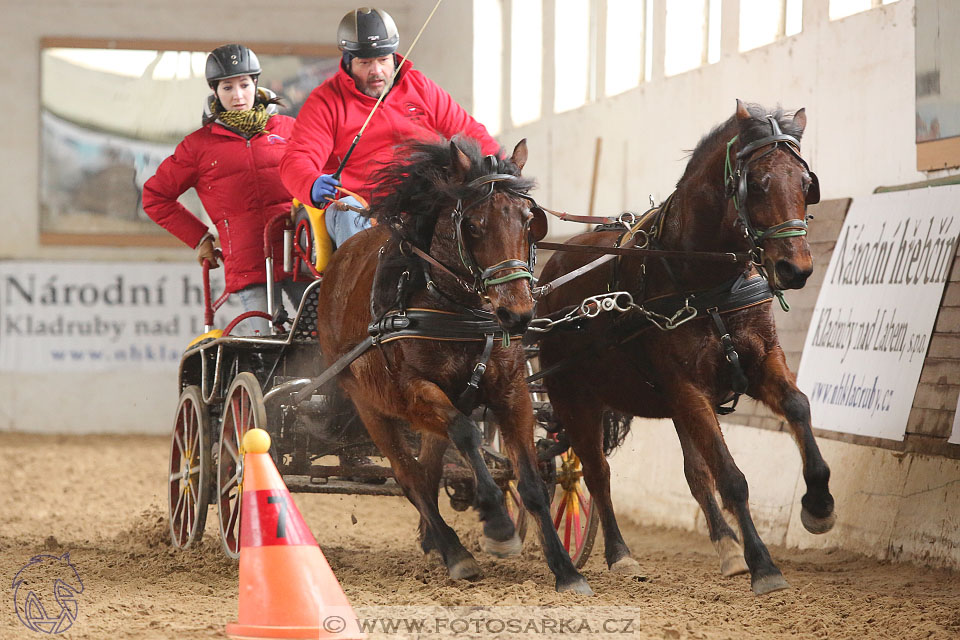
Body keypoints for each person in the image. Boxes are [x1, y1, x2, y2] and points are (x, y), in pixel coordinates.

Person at [280, 6, 501, 249]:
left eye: (383, 60)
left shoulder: (420, 86)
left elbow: (469, 131)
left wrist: (501, 164)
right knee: (349, 216)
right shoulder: (325, 101)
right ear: (347, 60)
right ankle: (360, 286)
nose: (376, 71)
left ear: (394, 57)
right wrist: (311, 183)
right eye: (365, 62)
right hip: (359, 207)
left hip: (422, 201)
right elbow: (297, 159)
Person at [143, 44, 304, 336]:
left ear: (256, 84)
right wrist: (199, 237)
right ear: (215, 92)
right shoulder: (198, 146)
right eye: (227, 87)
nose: (238, 95)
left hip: (301, 257)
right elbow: (155, 196)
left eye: (244, 84)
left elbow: (326, 173)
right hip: (248, 266)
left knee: (324, 340)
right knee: (267, 348)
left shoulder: (289, 130)